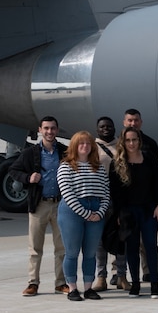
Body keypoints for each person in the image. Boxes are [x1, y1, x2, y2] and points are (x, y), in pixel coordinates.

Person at [108, 127, 158, 297]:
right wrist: (118, 214)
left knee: (150, 246)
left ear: (139, 141)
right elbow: (115, 192)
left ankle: (154, 284)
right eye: (128, 140)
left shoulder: (149, 159)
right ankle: (135, 285)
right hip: (128, 212)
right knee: (131, 248)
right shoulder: (117, 163)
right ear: (123, 142)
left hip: (149, 210)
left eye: (134, 139)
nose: (131, 143)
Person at [57, 131, 112, 301]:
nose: (85, 146)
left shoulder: (98, 167)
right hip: (72, 212)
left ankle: (88, 288)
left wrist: (100, 212)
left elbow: (105, 192)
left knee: (90, 253)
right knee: (72, 252)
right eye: (81, 143)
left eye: (88, 143)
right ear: (74, 146)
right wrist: (86, 213)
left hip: (96, 211)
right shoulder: (66, 166)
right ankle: (72, 288)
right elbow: (67, 193)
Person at [15, 116, 66, 296]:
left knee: (62, 247)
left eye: (53, 128)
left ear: (57, 130)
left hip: (60, 204)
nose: (49, 132)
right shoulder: (31, 152)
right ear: (40, 130)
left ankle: (61, 282)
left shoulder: (64, 151)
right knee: (35, 247)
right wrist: (28, 179)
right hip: (39, 205)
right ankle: (33, 283)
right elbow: (13, 170)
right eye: (46, 128)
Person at [90, 115, 117, 291]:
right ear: (97, 129)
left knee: (119, 237)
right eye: (102, 126)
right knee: (100, 240)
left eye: (108, 126)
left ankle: (120, 274)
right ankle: (101, 277)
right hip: (98, 198)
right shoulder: (92, 147)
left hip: (117, 198)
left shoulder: (121, 146)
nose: (105, 129)